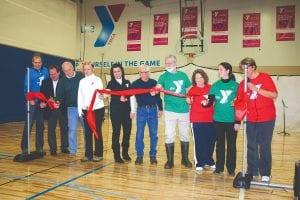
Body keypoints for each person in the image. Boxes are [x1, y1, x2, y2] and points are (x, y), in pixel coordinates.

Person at [237, 57, 277, 183]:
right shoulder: (243, 83)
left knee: (264, 145)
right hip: (251, 118)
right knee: (251, 145)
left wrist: (256, 89)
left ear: (253, 67)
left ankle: (265, 172)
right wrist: (236, 102)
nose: (244, 71)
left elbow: (274, 95)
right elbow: (240, 100)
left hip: (267, 118)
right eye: (242, 69)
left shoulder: (265, 77)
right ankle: (253, 171)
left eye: (246, 68)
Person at [203, 62, 240, 176]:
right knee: (219, 145)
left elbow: (240, 105)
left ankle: (231, 168)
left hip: (231, 121)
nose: (219, 71)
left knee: (232, 145)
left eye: (221, 69)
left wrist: (238, 121)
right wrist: (205, 104)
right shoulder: (215, 85)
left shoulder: (236, 86)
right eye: (218, 69)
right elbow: (210, 102)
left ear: (228, 71)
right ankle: (219, 168)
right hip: (218, 120)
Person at [157, 54, 192, 169]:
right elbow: (158, 86)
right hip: (170, 111)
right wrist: (155, 89)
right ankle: (170, 161)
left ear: (175, 63)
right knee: (169, 135)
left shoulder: (183, 75)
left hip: (184, 110)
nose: (168, 65)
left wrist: (189, 98)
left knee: (184, 135)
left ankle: (185, 159)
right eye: (166, 63)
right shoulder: (163, 76)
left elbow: (189, 90)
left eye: (170, 63)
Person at [131, 65, 163, 165]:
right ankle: (139, 155)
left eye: (146, 72)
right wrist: (123, 96)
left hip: (153, 110)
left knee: (153, 134)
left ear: (149, 73)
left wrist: (160, 108)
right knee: (139, 134)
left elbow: (158, 97)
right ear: (139, 73)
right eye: (142, 72)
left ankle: (152, 155)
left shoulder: (154, 83)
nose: (144, 74)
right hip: (141, 111)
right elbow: (128, 94)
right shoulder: (135, 84)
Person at [186, 69, 216, 172]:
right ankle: (199, 162)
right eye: (196, 78)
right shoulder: (192, 90)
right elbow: (188, 100)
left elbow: (215, 101)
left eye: (200, 77)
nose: (199, 79)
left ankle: (209, 160)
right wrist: (188, 100)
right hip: (196, 119)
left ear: (204, 77)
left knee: (211, 141)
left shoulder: (211, 88)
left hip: (210, 119)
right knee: (199, 142)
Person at [20, 53, 49, 154]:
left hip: (41, 102)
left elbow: (48, 87)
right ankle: (24, 147)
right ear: (33, 63)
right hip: (31, 102)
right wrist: (30, 100)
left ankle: (39, 147)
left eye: (39, 62)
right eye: (35, 63)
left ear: (42, 62)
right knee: (29, 124)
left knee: (40, 125)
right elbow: (25, 88)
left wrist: (45, 101)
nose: (37, 64)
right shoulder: (29, 72)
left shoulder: (46, 71)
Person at [106, 63, 135, 163]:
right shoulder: (111, 84)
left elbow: (132, 96)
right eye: (114, 72)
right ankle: (117, 155)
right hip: (115, 113)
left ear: (122, 71)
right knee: (116, 133)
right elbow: (107, 92)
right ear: (112, 73)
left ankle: (125, 153)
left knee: (127, 133)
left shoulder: (127, 82)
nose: (117, 73)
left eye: (118, 71)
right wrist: (102, 95)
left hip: (127, 112)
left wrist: (133, 111)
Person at [77, 61, 105, 162]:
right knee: (87, 132)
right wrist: (80, 110)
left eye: (88, 69)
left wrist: (92, 106)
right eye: (85, 69)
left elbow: (100, 95)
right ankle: (88, 154)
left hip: (97, 109)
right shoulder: (81, 81)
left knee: (96, 131)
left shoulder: (97, 80)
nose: (86, 71)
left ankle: (98, 154)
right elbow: (79, 96)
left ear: (92, 69)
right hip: (86, 110)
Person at [56, 61, 84, 156]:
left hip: (83, 107)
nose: (68, 72)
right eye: (65, 71)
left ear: (73, 68)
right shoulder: (62, 81)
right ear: (63, 71)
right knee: (72, 130)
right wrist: (58, 102)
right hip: (71, 108)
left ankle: (88, 149)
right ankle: (72, 150)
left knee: (86, 129)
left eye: (69, 70)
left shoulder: (81, 76)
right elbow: (59, 96)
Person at [40, 65, 69, 155]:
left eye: (54, 74)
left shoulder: (64, 80)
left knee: (64, 128)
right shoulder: (45, 82)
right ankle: (53, 149)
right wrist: (45, 101)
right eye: (50, 74)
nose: (52, 76)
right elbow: (42, 95)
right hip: (51, 109)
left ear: (59, 72)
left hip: (62, 108)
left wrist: (57, 100)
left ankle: (64, 147)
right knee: (51, 129)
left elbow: (67, 94)